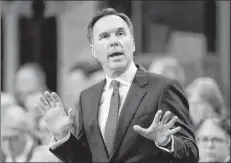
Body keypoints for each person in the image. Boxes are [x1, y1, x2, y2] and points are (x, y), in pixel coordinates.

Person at [34, 8, 199, 163]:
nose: (114, 41)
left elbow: (191, 153)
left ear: (132, 44)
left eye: (120, 33)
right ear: (93, 50)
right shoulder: (87, 97)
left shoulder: (164, 87)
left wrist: (167, 141)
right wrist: (63, 136)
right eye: (104, 36)